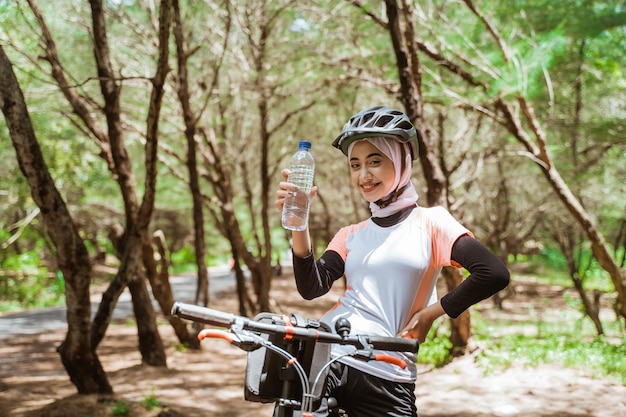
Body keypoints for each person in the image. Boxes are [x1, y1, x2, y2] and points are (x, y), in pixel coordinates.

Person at [274, 105, 510, 417]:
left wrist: (429, 315)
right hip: (328, 356)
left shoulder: (431, 222)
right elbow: (312, 287)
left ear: (401, 163)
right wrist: (299, 222)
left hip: (390, 371)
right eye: (355, 165)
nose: (364, 174)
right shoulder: (351, 234)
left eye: (375, 161)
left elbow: (493, 273)